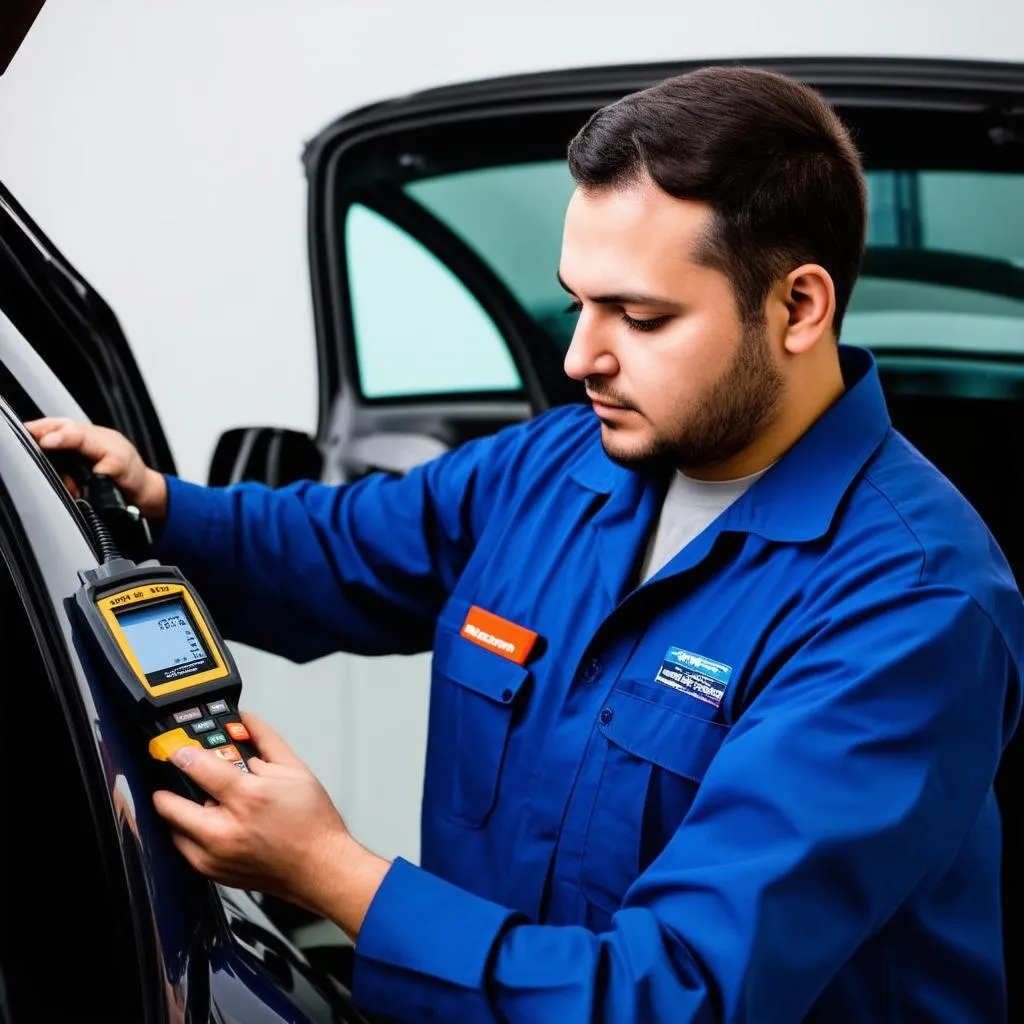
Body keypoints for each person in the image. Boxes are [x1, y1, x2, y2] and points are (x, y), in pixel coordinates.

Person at [27, 65, 1024, 1023]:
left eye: (639, 316)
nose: (579, 355)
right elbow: (330, 549)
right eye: (576, 301)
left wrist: (330, 871)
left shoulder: (911, 605)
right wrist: (155, 505)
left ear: (798, 307)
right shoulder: (556, 465)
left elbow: (677, 993)